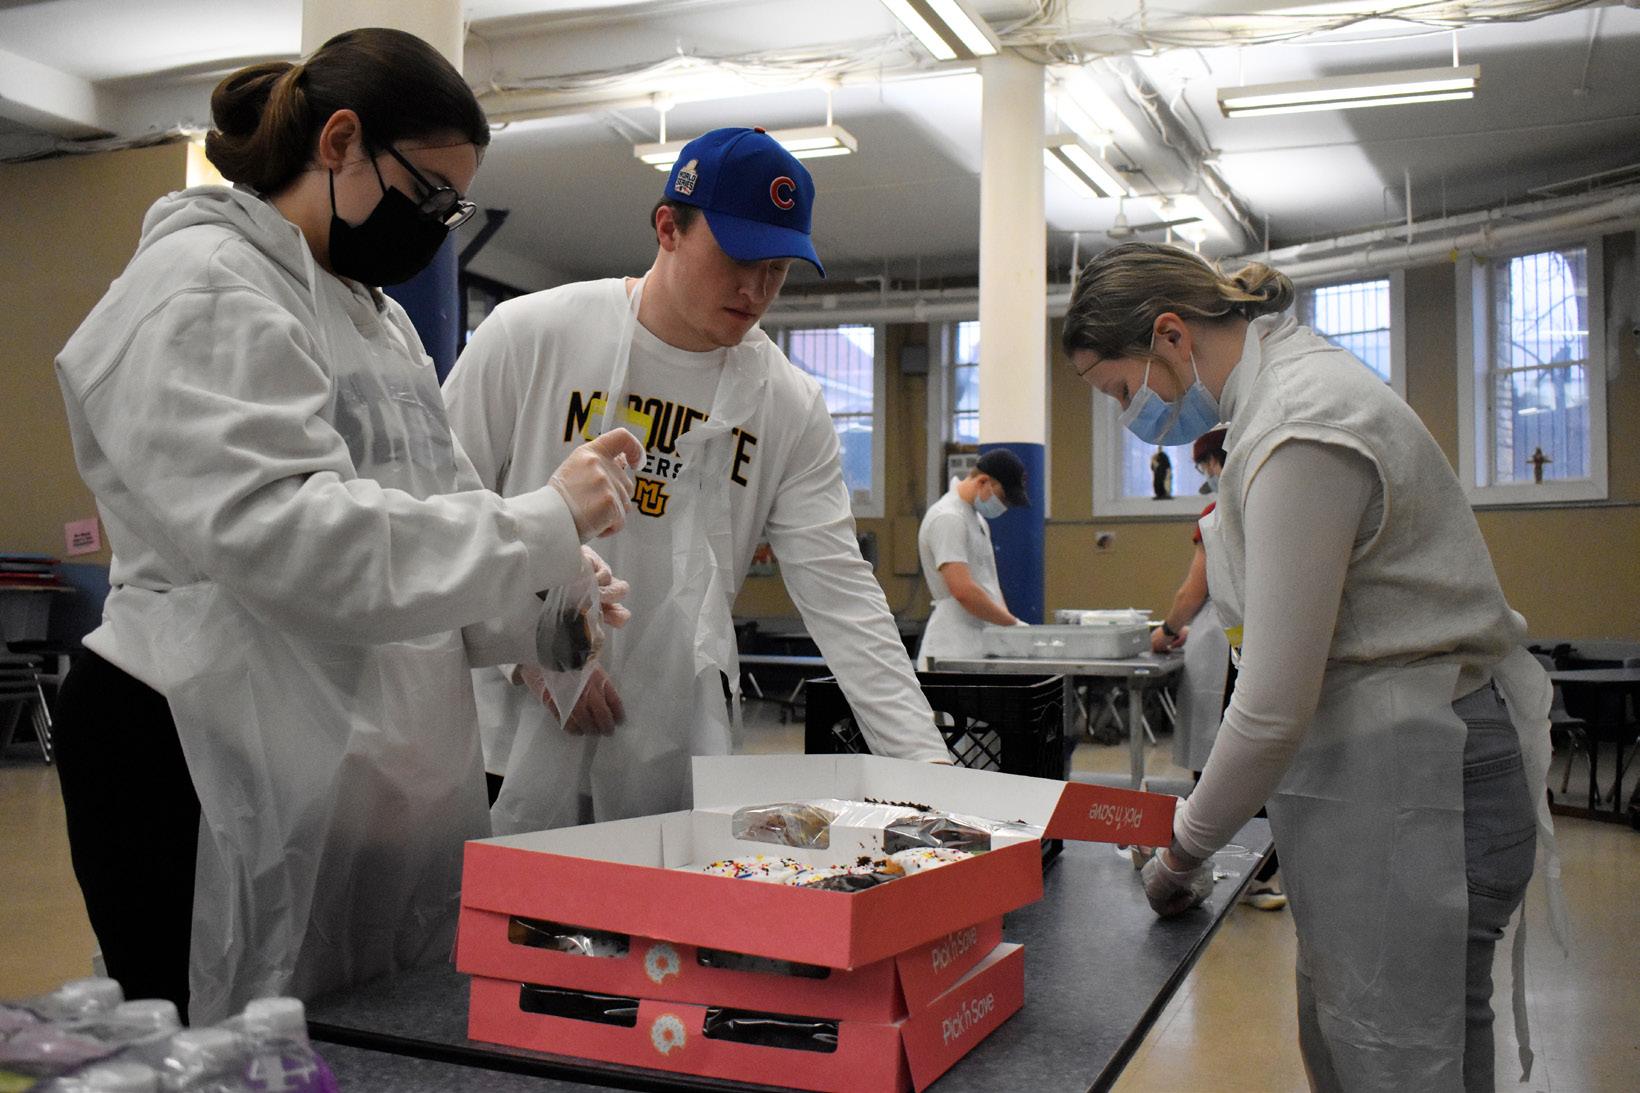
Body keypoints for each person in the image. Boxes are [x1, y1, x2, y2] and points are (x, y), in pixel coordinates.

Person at [50, 29, 643, 1025]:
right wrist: (536, 524)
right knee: (222, 1039)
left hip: (331, 742)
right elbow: (290, 542)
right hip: (194, 736)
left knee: (360, 1029)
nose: (436, 227)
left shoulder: (376, 317)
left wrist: (548, 592)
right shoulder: (201, 283)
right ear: (338, 142)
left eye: (452, 208)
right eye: (428, 194)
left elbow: (436, 517)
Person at [1065, 242, 1557, 1091]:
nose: (1126, 412)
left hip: (1425, 788)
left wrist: (1181, 854)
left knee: (1403, 1060)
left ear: (1171, 335)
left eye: (1118, 389)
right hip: (1385, 779)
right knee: (1353, 1037)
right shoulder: (1275, 404)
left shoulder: (1300, 422)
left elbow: (1273, 701)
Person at [444, 126, 951, 834]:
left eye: (777, 268)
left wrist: (930, 774)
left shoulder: (786, 402)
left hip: (666, 745)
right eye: (738, 258)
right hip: (504, 738)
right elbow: (440, 513)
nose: (756, 289)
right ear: (668, 228)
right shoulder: (530, 336)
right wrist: (534, 651)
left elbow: (844, 597)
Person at [914, 450, 1030, 669]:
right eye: (1003, 498)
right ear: (983, 481)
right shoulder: (948, 517)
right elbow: (962, 590)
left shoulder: (976, 519)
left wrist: (1008, 630)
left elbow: (989, 584)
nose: (1004, 506)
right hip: (953, 647)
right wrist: (1012, 625)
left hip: (977, 643)